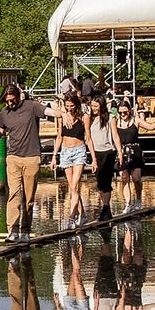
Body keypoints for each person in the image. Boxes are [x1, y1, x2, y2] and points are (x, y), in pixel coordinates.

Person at [0, 85, 46, 243]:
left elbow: (49, 112)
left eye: (12, 100)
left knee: (28, 198)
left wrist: (65, 114)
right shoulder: (4, 114)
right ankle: (12, 229)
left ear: (18, 96)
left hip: (31, 157)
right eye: (7, 101)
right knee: (14, 194)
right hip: (13, 157)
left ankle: (25, 230)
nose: (10, 103)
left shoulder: (31, 106)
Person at [55, 93, 90, 228]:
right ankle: (83, 215)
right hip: (65, 151)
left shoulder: (83, 117)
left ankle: (71, 217)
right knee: (72, 187)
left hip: (79, 151)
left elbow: (88, 137)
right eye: (67, 106)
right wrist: (54, 156)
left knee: (75, 186)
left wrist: (93, 157)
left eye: (72, 106)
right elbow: (59, 136)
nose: (69, 109)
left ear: (77, 105)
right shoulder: (62, 118)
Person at [117, 102, 154, 210]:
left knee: (136, 178)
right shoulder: (116, 121)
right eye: (121, 112)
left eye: (125, 112)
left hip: (135, 151)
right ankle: (128, 203)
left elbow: (150, 127)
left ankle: (138, 199)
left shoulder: (135, 120)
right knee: (124, 178)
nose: (123, 114)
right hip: (122, 152)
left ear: (129, 110)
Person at [87, 96, 118, 218]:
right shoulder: (90, 119)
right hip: (96, 152)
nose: (93, 108)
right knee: (99, 181)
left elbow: (115, 135)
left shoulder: (110, 117)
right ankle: (105, 206)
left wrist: (119, 151)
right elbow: (88, 137)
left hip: (108, 151)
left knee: (106, 181)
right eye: (92, 106)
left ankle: (106, 207)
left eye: (96, 106)